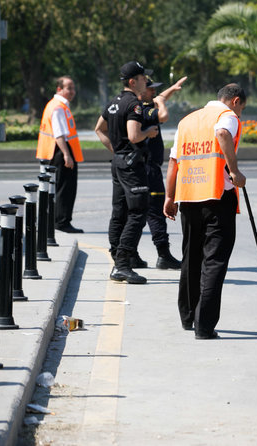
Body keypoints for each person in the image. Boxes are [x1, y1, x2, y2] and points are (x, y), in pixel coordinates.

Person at [163, 83, 247, 340]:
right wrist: (234, 171)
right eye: (241, 108)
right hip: (216, 196)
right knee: (214, 261)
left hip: (188, 196)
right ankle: (204, 325)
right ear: (234, 101)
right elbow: (222, 134)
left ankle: (188, 317)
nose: (240, 113)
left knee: (191, 257)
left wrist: (169, 196)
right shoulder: (226, 117)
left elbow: (174, 162)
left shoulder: (187, 121)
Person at [94, 61, 158, 284]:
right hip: (131, 167)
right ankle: (122, 263)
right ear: (133, 82)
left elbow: (98, 129)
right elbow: (133, 136)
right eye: (143, 78)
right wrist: (148, 131)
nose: (146, 81)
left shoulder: (114, 102)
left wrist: (117, 151)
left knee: (119, 212)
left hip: (119, 163)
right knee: (139, 211)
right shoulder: (134, 104)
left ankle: (119, 258)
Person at [132, 75, 188, 270]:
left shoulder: (138, 108)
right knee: (155, 212)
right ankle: (163, 255)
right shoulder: (146, 111)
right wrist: (162, 102)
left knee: (138, 212)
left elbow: (158, 98)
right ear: (140, 89)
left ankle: (130, 254)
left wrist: (171, 89)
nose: (155, 92)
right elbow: (162, 113)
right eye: (150, 88)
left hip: (143, 168)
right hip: (149, 169)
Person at [36, 76, 84, 233]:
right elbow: (59, 135)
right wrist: (67, 155)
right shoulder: (58, 107)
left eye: (73, 88)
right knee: (66, 188)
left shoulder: (57, 105)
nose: (72, 91)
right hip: (60, 152)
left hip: (55, 152)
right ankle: (62, 222)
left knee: (61, 188)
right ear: (59, 89)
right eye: (68, 88)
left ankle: (59, 220)